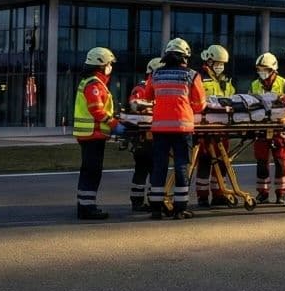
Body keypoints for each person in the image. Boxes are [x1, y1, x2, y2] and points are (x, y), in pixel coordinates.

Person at [140, 43, 206, 220]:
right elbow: (200, 104)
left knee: (159, 166)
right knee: (181, 166)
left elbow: (147, 97)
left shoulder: (155, 74)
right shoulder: (192, 75)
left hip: (160, 128)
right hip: (182, 128)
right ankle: (180, 208)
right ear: (185, 57)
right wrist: (187, 106)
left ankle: (156, 208)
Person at [73, 46, 124, 220]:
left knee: (89, 170)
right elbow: (96, 109)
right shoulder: (94, 84)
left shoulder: (92, 82)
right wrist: (114, 124)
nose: (111, 67)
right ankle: (87, 208)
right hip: (92, 134)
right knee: (92, 171)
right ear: (102, 65)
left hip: (90, 135)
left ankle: (84, 205)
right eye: (109, 64)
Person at [195, 44, 235, 207]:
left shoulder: (225, 80)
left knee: (222, 161)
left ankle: (219, 194)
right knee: (204, 161)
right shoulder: (199, 78)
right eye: (218, 63)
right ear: (209, 61)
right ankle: (202, 196)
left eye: (222, 64)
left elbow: (232, 98)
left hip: (222, 127)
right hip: (204, 127)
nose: (220, 66)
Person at [249, 52, 285, 204]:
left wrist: (283, 101)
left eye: (265, 69)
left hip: (279, 128)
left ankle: (281, 193)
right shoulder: (254, 84)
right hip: (261, 128)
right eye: (259, 69)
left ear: (273, 70)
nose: (262, 72)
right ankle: (263, 192)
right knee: (261, 161)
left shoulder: (284, 83)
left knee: (281, 161)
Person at [126, 56, 164, 212]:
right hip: (143, 137)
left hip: (156, 134)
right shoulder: (141, 88)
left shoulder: (159, 88)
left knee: (155, 169)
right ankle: (137, 202)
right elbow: (134, 105)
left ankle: (153, 199)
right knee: (142, 168)